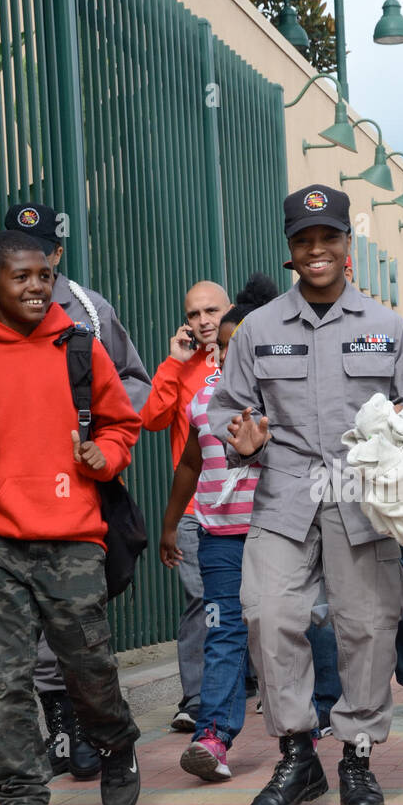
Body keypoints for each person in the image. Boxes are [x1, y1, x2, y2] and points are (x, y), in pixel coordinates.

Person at [207, 184, 403, 805]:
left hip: (361, 497)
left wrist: (397, 432)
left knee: (366, 627)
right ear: (291, 251)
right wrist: (244, 440)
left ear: (346, 245)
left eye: (328, 238)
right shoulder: (258, 329)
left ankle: (358, 758)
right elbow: (230, 410)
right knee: (268, 613)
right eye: (304, 240)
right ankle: (296, 754)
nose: (316, 250)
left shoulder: (389, 328)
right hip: (284, 494)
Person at [0, 231, 142, 805]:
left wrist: (102, 456)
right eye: (20, 277)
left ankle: (116, 741)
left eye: (44, 276)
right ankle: (22, 803)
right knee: (6, 679)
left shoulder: (79, 343)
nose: (35, 286)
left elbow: (120, 422)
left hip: (75, 535)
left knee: (88, 666)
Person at [160, 303, 260, 780]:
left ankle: (317, 716)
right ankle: (213, 737)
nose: (232, 352)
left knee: (301, 623)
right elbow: (189, 464)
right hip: (218, 535)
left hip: (279, 534)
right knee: (224, 630)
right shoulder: (202, 400)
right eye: (224, 344)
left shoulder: (286, 398)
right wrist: (169, 524)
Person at [141, 280, 231, 731]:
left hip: (249, 505)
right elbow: (152, 419)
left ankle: (241, 684)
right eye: (194, 315)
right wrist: (174, 362)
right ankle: (195, 698)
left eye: (211, 311)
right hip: (197, 508)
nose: (204, 322)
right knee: (201, 599)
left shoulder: (244, 357)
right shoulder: (184, 367)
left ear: (228, 309)